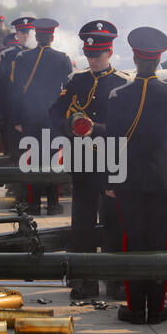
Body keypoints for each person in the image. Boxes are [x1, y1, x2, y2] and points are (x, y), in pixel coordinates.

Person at [106, 26, 167, 324]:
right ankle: (156, 309)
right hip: (163, 178)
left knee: (133, 242)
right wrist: (160, 138)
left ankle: (134, 308)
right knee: (161, 242)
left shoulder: (118, 95)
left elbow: (113, 140)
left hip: (128, 179)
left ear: (134, 57)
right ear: (159, 60)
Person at [49, 20, 131, 299]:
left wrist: (95, 130)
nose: (92, 59)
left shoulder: (122, 83)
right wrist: (70, 123)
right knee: (81, 224)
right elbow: (55, 113)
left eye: (97, 55)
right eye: (89, 55)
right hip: (82, 162)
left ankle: (117, 279)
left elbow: (127, 129)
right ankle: (85, 280)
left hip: (111, 162)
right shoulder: (76, 81)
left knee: (114, 224)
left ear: (109, 53)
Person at [11, 18, 73, 215]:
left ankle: (33, 204)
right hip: (54, 119)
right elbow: (68, 92)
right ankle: (53, 204)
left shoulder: (22, 57)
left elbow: (15, 92)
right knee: (54, 160)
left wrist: (17, 120)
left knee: (31, 161)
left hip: (30, 117)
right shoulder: (63, 58)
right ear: (53, 37)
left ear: (36, 36)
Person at [0, 17, 35, 156]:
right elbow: (0, 86)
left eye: (28, 31)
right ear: (17, 34)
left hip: (34, 109)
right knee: (12, 153)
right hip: (11, 109)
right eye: (22, 32)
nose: (26, 35)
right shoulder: (8, 54)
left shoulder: (39, 54)